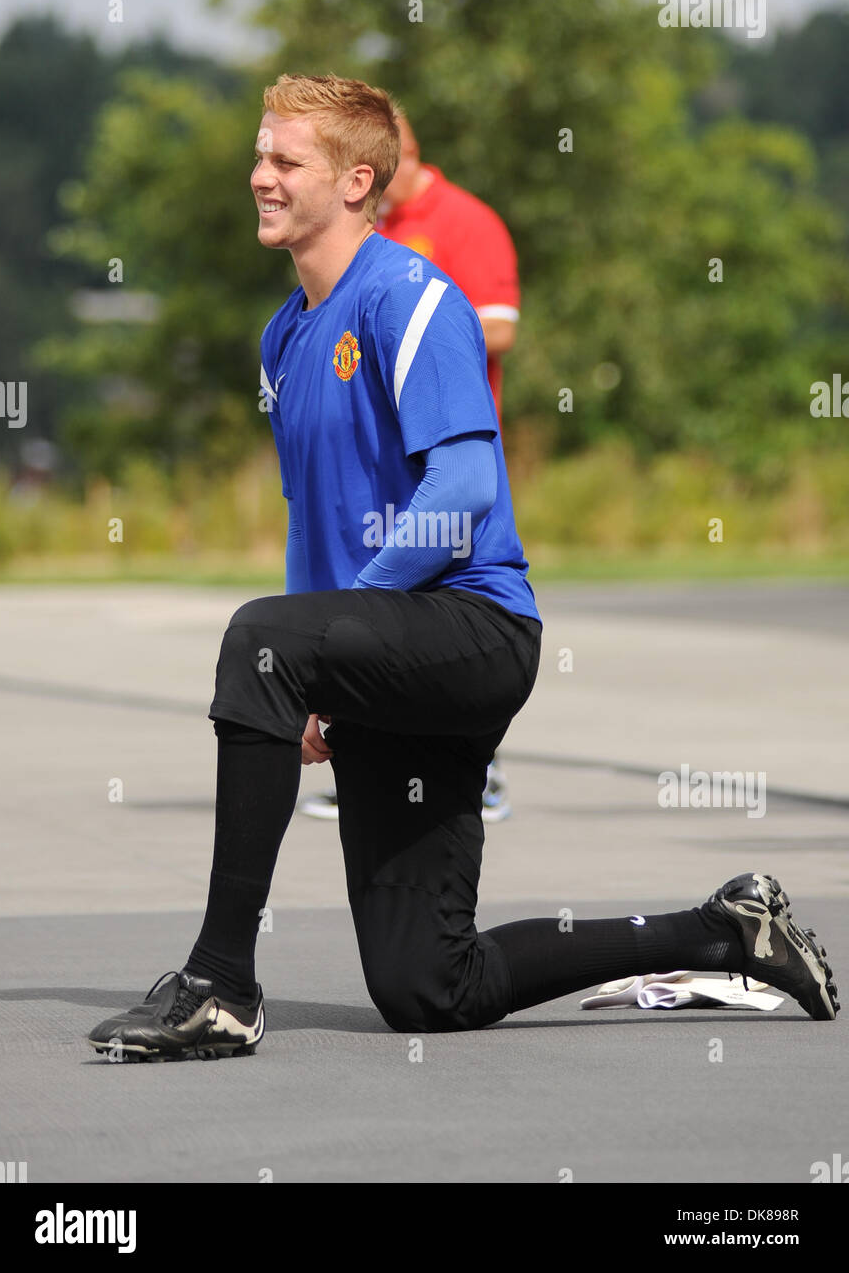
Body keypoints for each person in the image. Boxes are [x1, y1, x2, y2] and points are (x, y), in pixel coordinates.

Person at [88, 75, 838, 1061]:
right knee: (427, 989)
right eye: (260, 154)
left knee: (256, 638)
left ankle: (220, 986)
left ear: (357, 181)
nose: (259, 175)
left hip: (471, 631)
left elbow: (466, 492)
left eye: (284, 160)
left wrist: (323, 638)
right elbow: (313, 520)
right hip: (384, 650)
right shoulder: (284, 335)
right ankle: (730, 930)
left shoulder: (412, 298)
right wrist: (319, 669)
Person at [300, 108, 519, 822]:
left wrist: (419, 322)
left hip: (444, 436)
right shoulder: (364, 241)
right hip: (379, 444)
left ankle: (475, 766)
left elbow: (501, 325)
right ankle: (371, 747)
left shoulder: (463, 221)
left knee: (446, 593)